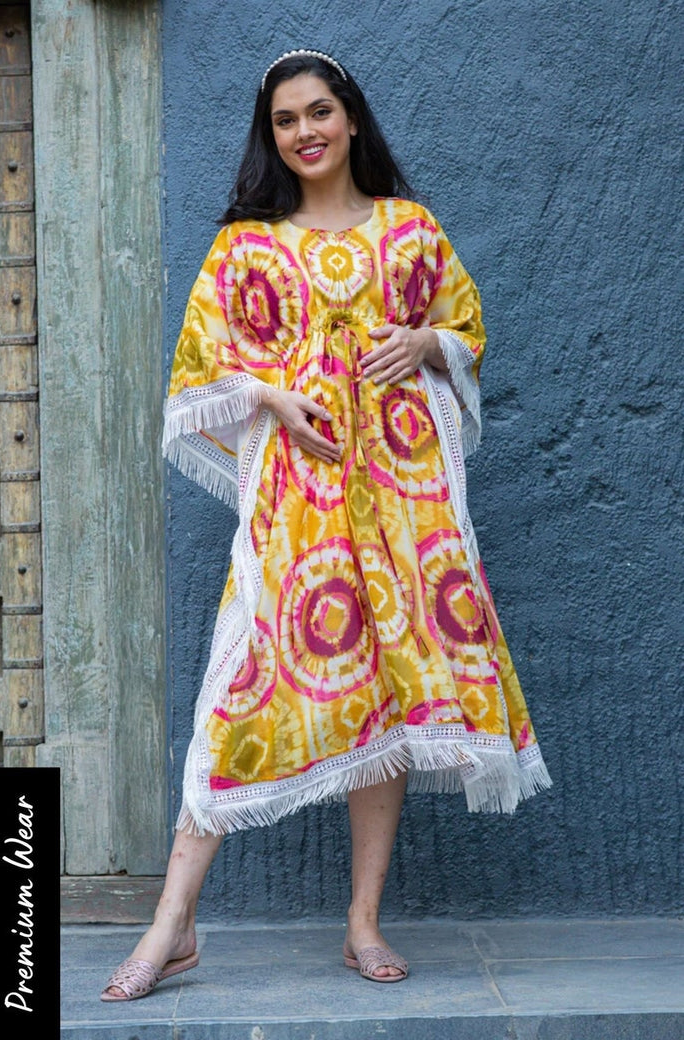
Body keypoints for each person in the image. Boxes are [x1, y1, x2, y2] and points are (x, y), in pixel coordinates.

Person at [101, 48, 551, 1001]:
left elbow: (464, 331)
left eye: (317, 112)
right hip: (298, 498)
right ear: (270, 137)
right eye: (284, 120)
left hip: (404, 497)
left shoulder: (411, 229)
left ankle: (362, 922)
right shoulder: (245, 247)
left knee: (385, 695)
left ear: (349, 116)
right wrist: (269, 395)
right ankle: (172, 923)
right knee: (240, 682)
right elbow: (196, 375)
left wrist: (425, 340)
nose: (303, 132)